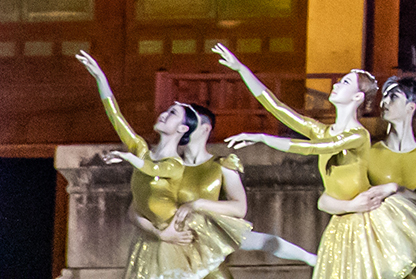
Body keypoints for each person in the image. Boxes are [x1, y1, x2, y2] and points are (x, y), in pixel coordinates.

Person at [216, 44, 416, 279]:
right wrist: (242, 70)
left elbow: (318, 148)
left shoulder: (358, 135)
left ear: (357, 96)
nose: (335, 84)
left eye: (343, 82)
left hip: (374, 217)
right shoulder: (324, 130)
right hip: (345, 223)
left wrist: (264, 138)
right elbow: (277, 107)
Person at [77, 51, 306, 279]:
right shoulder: (160, 158)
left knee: (257, 241)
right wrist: (101, 79)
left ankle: (312, 259)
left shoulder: (195, 165)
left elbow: (238, 209)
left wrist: (195, 204)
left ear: (193, 128)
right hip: (166, 248)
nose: (164, 114)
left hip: (201, 244)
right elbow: (136, 207)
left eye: (175, 113)